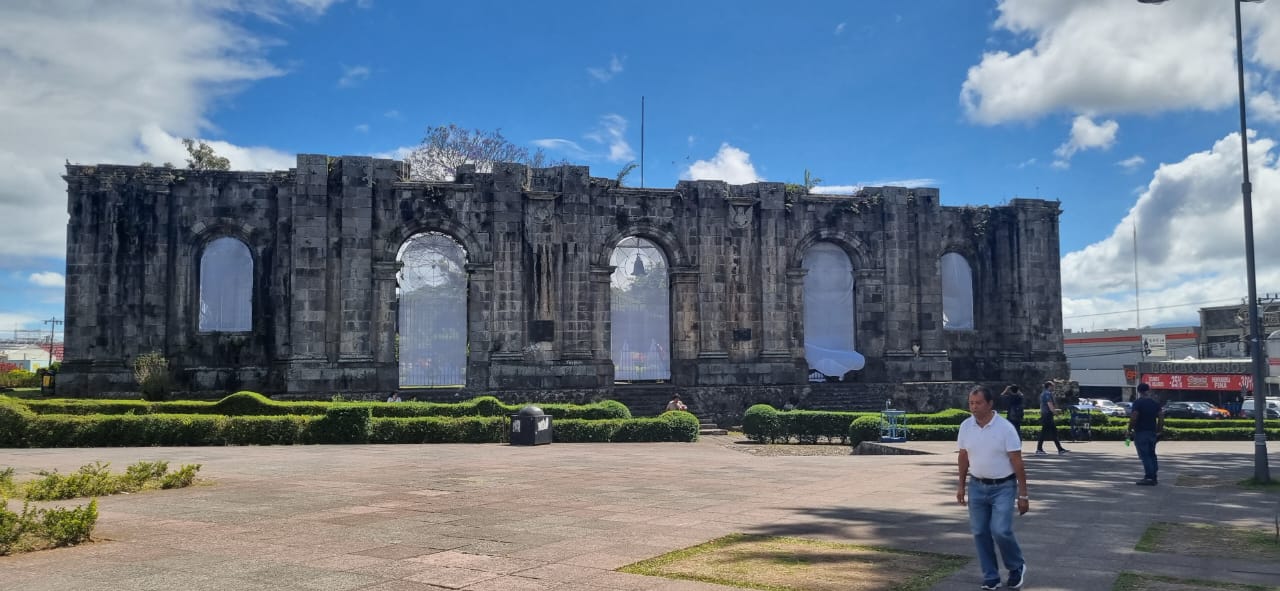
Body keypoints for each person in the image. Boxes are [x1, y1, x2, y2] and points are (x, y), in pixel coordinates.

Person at [957, 386, 1029, 590]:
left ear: (990, 404)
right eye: (971, 403)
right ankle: (991, 576)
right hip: (977, 485)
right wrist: (960, 485)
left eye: (978, 403)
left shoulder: (1005, 428)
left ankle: (1016, 566)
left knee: (1001, 530)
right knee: (980, 532)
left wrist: (1023, 494)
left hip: (1003, 486)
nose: (974, 407)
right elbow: (963, 457)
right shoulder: (966, 426)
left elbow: (1017, 462)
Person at [1128, 383, 1164, 485]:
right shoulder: (1155, 403)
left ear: (1139, 391)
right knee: (1152, 454)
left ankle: (1149, 477)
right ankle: (1154, 476)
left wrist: (1129, 429)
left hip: (1141, 432)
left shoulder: (1138, 403)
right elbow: (1161, 417)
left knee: (1145, 455)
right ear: (1148, 390)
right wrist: (1159, 431)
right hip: (1152, 432)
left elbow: (1134, 416)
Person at [1034, 381, 1069, 456]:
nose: (1053, 387)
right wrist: (1056, 414)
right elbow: (1049, 405)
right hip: (1047, 415)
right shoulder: (1047, 394)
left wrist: (1054, 411)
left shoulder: (1043, 393)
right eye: (1053, 386)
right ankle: (1039, 449)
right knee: (1045, 432)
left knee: (1053, 432)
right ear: (1049, 386)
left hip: (1046, 414)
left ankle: (1060, 449)